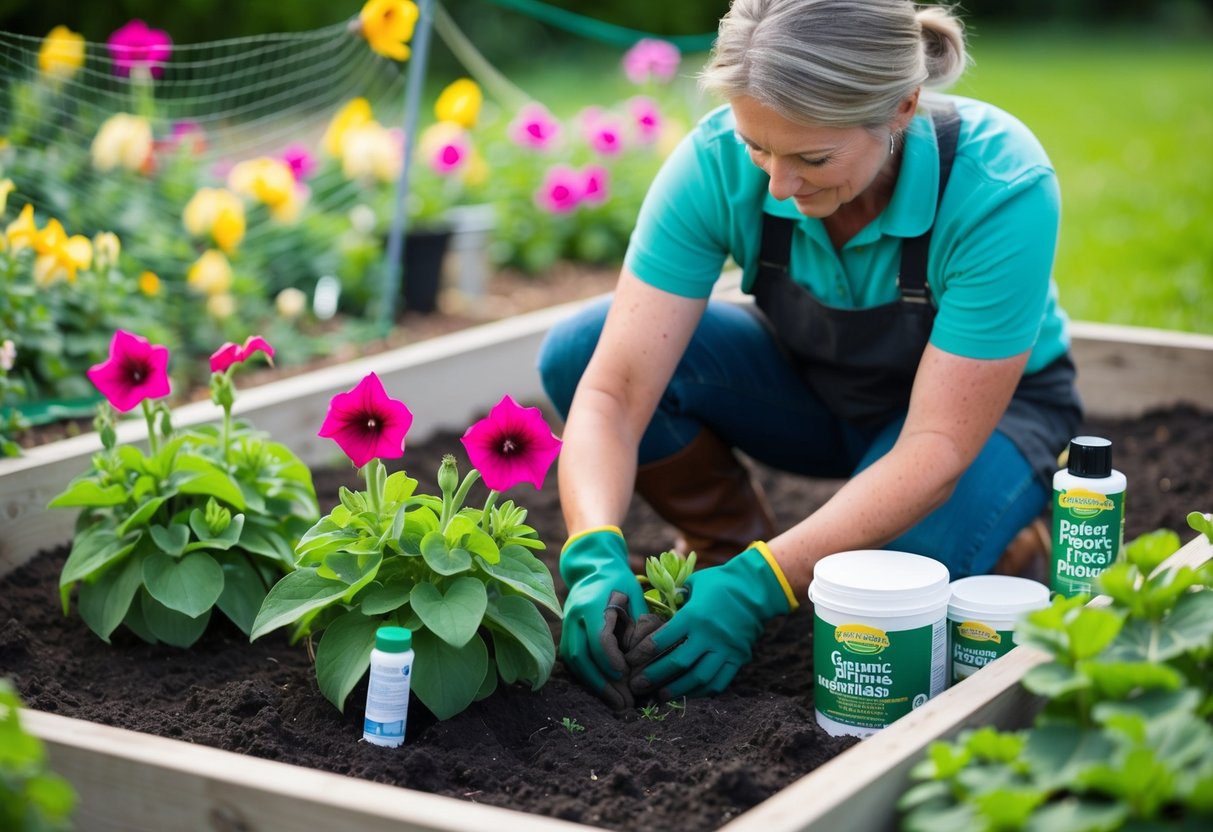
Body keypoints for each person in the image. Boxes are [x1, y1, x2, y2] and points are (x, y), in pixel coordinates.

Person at [537, 0, 1082, 707]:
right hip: (816, 387)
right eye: (757, 146)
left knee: (878, 598)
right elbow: (612, 391)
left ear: (902, 107)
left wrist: (767, 586)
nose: (777, 188)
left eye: (811, 157)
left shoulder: (998, 186)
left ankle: (1007, 538)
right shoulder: (712, 164)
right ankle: (728, 552)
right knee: (581, 350)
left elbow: (933, 447)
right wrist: (591, 550)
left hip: (978, 422)